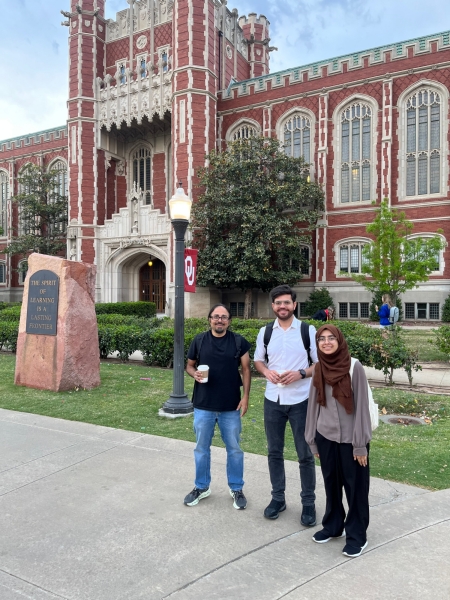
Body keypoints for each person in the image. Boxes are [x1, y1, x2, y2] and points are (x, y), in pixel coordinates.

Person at [305, 324, 372, 558]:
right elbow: (313, 404)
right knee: (331, 485)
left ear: (339, 340)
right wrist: (312, 440)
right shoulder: (319, 367)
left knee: (356, 489)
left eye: (331, 338)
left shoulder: (354, 367)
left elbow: (362, 407)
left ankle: (357, 536)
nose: (326, 342)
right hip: (326, 437)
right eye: (321, 339)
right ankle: (333, 526)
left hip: (353, 441)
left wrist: (361, 444)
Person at [254, 284, 318, 525]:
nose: (282, 306)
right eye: (278, 303)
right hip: (273, 399)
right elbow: (259, 361)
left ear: (294, 304)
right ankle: (278, 498)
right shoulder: (266, 332)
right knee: (274, 452)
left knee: (305, 455)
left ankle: (308, 503)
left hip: (301, 400)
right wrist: (267, 373)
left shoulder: (307, 330)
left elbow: (319, 364)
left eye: (287, 302)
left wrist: (301, 373)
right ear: (273, 306)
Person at [184, 304, 251, 510]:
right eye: (216, 317)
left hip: (230, 406)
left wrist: (246, 396)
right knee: (201, 449)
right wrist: (193, 373)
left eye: (224, 317)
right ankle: (202, 487)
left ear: (229, 321)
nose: (219, 320)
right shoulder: (199, 340)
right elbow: (189, 364)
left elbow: (247, 369)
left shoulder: (239, 342)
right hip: (203, 405)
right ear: (210, 319)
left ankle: (236, 488)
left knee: (234, 450)